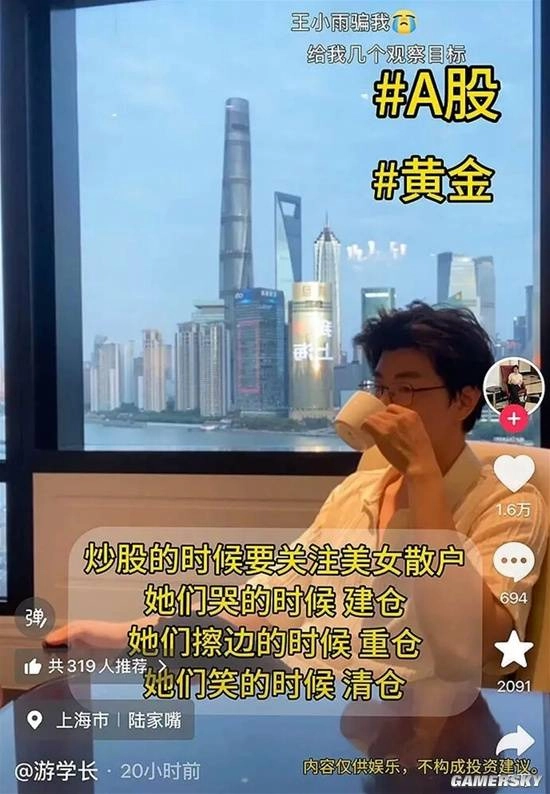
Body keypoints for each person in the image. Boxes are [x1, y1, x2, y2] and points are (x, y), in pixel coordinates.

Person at [45, 302, 548, 688]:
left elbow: (476, 651)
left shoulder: (508, 505)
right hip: (307, 694)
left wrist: (423, 477)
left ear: (464, 399)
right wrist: (133, 634)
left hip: (416, 722)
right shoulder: (359, 491)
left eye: (408, 390)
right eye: (381, 388)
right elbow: (268, 600)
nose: (386, 405)